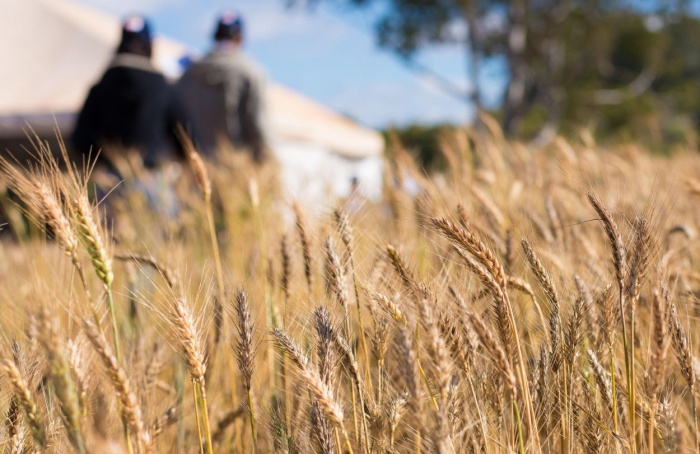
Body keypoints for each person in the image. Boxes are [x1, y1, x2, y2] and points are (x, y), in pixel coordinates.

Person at [73, 15, 192, 169]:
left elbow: (80, 140)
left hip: (110, 182)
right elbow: (187, 137)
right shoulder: (162, 87)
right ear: (149, 45)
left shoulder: (99, 89)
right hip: (155, 179)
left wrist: (106, 159)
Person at [176, 11, 270, 162]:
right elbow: (257, 124)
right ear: (240, 39)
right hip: (234, 166)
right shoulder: (250, 72)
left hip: (193, 167)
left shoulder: (188, 74)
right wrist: (268, 162)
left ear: (215, 36)